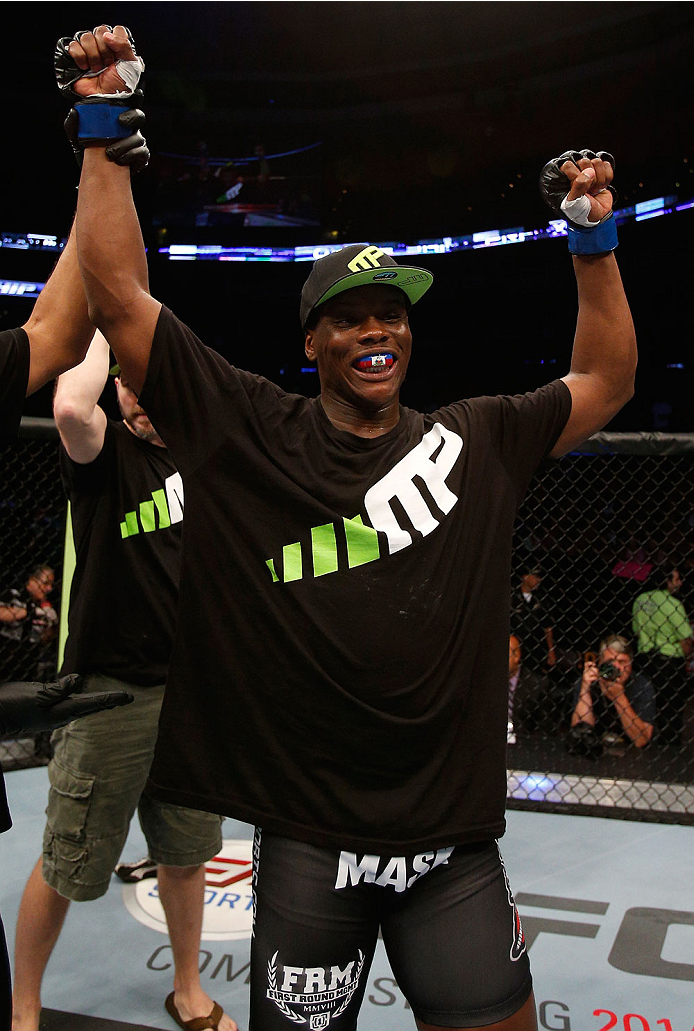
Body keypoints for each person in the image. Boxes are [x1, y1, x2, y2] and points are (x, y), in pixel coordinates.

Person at [63, 26, 637, 1031]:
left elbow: (604, 382)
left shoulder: (475, 439)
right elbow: (117, 296)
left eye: (392, 313)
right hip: (307, 838)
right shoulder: (251, 429)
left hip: (452, 843)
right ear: (312, 340)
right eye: (351, 315)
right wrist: (103, 129)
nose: (377, 328)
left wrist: (592, 241)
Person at [11, 331, 236, 1031]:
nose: (139, 397)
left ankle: (189, 989)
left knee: (187, 851)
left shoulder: (208, 461)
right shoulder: (107, 454)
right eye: (129, 384)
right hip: (111, 691)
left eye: (152, 382)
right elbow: (73, 408)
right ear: (117, 386)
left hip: (192, 694)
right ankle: (22, 1009)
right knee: (65, 860)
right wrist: (106, 324)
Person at [632, 567, 693, 744]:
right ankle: (669, 741)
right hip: (669, 660)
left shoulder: (640, 600)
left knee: (643, 700)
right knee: (671, 706)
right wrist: (687, 657)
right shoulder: (672, 604)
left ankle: (640, 734)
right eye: (676, 579)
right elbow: (685, 638)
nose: (680, 582)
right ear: (667, 581)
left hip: (644, 657)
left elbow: (636, 630)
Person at [570, 634, 655, 750]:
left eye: (622, 662)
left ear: (630, 664)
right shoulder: (588, 680)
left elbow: (641, 740)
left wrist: (619, 697)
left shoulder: (642, 685)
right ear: (600, 663)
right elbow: (579, 732)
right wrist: (585, 688)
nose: (616, 668)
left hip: (631, 751)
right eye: (610, 662)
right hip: (594, 748)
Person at [0, 565, 58, 683]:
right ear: (32, 580)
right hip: (5, 655)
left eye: (51, 584)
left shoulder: (46, 606)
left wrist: (52, 624)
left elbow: (45, 639)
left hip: (29, 661)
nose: (49, 588)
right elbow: (2, 613)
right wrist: (30, 612)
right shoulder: (14, 594)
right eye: (45, 583)